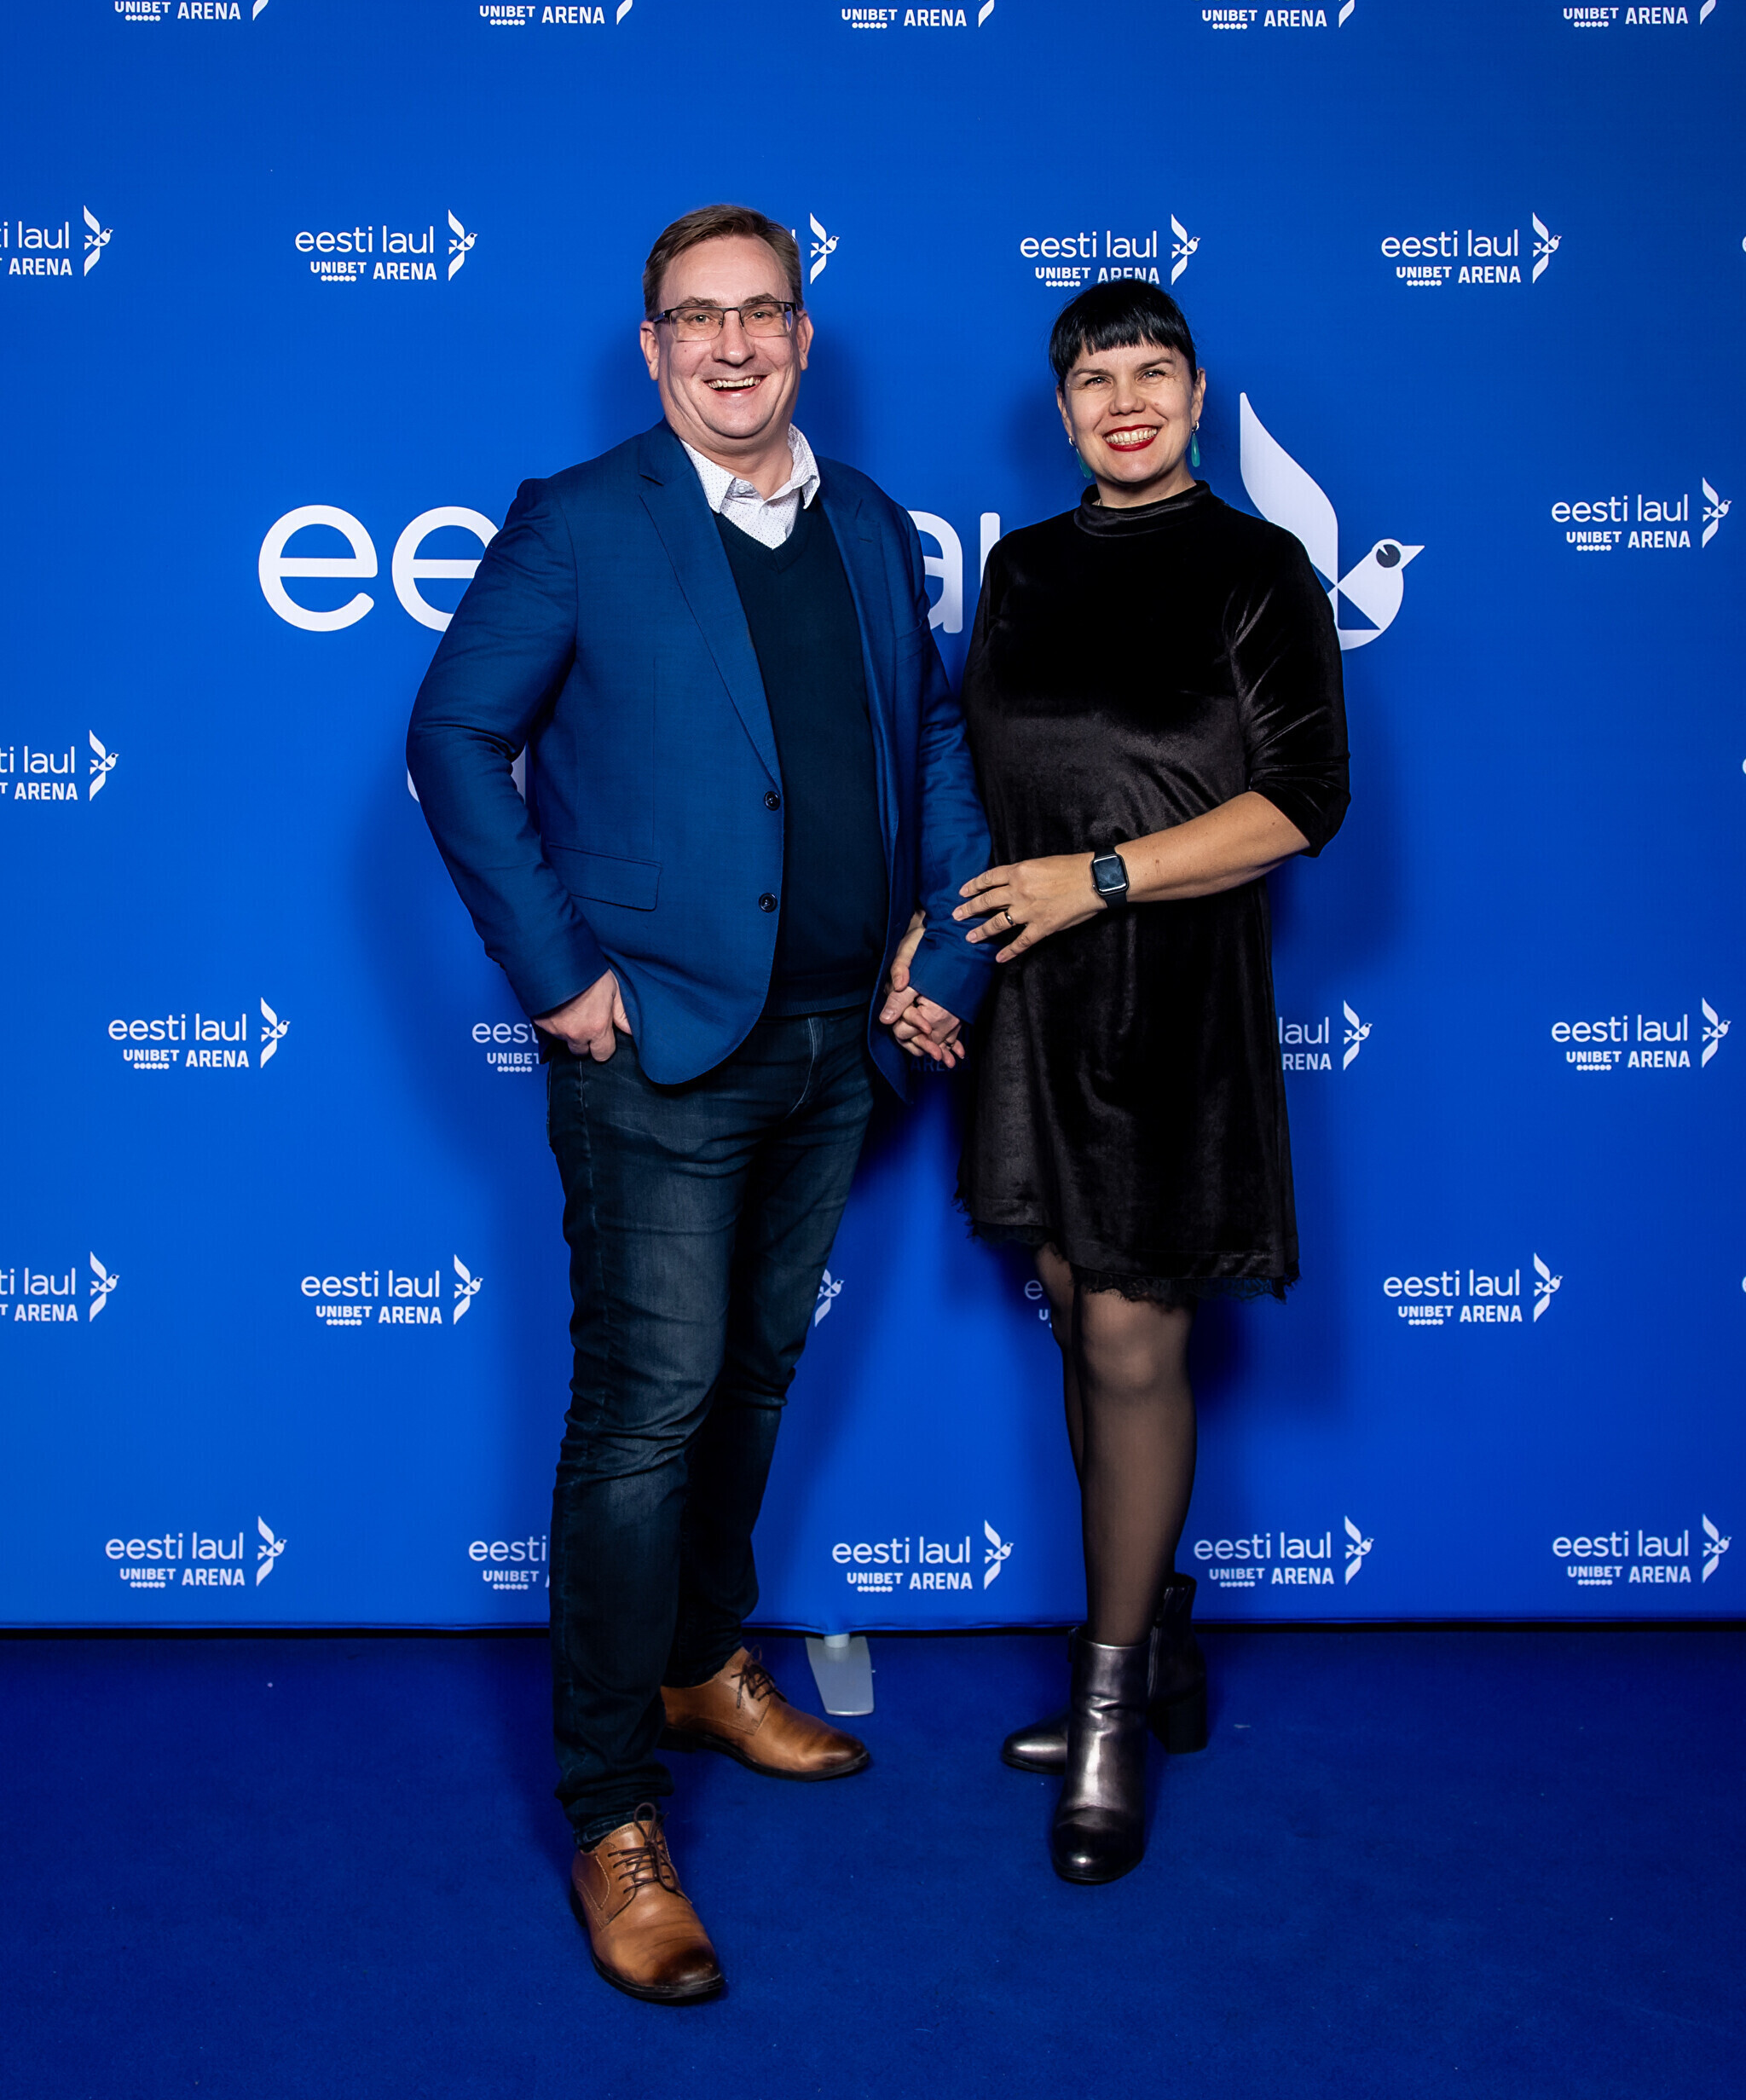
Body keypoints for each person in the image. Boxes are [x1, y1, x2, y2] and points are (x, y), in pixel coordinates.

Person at [407, 205, 992, 2001]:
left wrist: (948, 945)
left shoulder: (871, 522)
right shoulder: (582, 520)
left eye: (762, 313)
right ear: (652, 345)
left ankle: (699, 1659)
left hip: (836, 1043)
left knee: (749, 1379)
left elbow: (932, 741)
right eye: (696, 318)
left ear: (803, 337)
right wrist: (556, 972)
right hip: (655, 1045)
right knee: (644, 1417)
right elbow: (453, 738)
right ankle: (611, 1811)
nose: (732, 345)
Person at [952, 279, 1350, 1885]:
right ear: (1060, 412)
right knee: (1073, 1297)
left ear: (1196, 395)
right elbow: (979, 777)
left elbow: (1303, 802)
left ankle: (1109, 1706)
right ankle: (1157, 1642)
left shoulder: (1259, 568)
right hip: (1033, 991)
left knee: (1129, 1331)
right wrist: (944, 938)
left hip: (1173, 995)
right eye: (1094, 379)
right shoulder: (1023, 569)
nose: (1126, 400)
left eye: (1154, 372)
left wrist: (1099, 880)